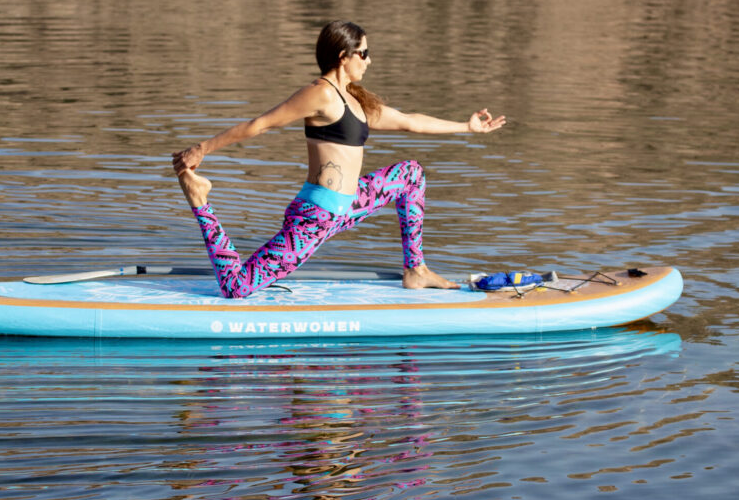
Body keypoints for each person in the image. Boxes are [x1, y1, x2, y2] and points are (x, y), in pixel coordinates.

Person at [171, 20, 506, 299]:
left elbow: (409, 121)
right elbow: (260, 124)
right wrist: (203, 148)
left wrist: (467, 127)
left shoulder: (355, 100)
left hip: (350, 204)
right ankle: (199, 199)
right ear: (344, 56)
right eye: (364, 53)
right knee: (236, 287)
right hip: (316, 216)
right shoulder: (320, 93)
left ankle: (416, 269)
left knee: (411, 175)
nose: (369, 61)